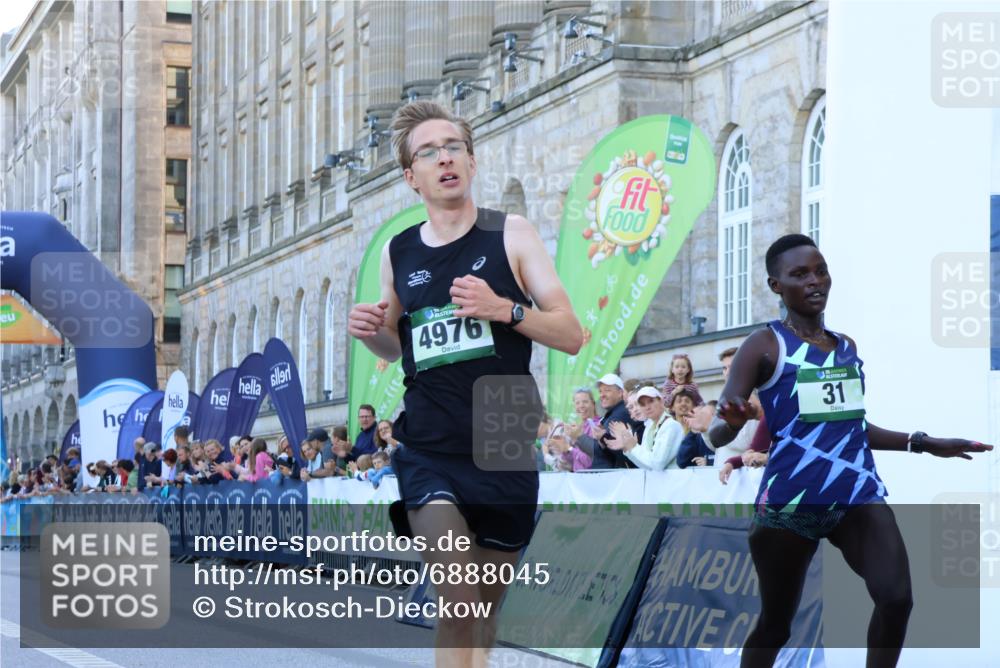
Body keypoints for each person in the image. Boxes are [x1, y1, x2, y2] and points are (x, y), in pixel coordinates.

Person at [348, 99, 582, 666]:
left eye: (453, 147)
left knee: (482, 609)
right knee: (457, 596)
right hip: (429, 438)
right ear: (411, 177)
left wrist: (505, 309)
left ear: (471, 163)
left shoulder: (512, 233)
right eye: (429, 153)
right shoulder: (398, 250)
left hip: (503, 429)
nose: (444, 158)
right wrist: (370, 332)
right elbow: (398, 346)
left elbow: (571, 334)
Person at [708, 234, 992, 667]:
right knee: (776, 626)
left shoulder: (846, 348)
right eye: (799, 274)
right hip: (792, 501)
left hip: (856, 492)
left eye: (821, 270)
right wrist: (726, 423)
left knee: (896, 600)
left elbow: (851, 428)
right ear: (775, 286)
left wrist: (921, 443)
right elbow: (716, 433)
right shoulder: (764, 345)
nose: (815, 281)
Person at [570, 374, 644, 469]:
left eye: (607, 390)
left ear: (620, 393)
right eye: (600, 391)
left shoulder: (620, 414)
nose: (602, 395)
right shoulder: (613, 414)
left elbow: (602, 454)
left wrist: (579, 437)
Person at [608, 386, 685, 470]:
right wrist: (628, 447)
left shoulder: (671, 425)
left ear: (661, 401)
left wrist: (633, 447)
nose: (647, 407)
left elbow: (657, 463)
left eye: (651, 401)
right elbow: (645, 465)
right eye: (642, 404)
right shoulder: (650, 428)